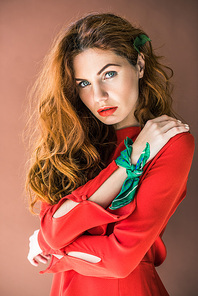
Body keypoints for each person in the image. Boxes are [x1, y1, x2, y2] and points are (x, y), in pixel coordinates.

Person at [26, 13, 194, 296]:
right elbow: (54, 232)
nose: (99, 96)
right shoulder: (66, 146)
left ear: (139, 64)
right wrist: (130, 161)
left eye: (109, 74)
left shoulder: (171, 143)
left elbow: (118, 260)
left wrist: (53, 251)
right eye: (84, 83)